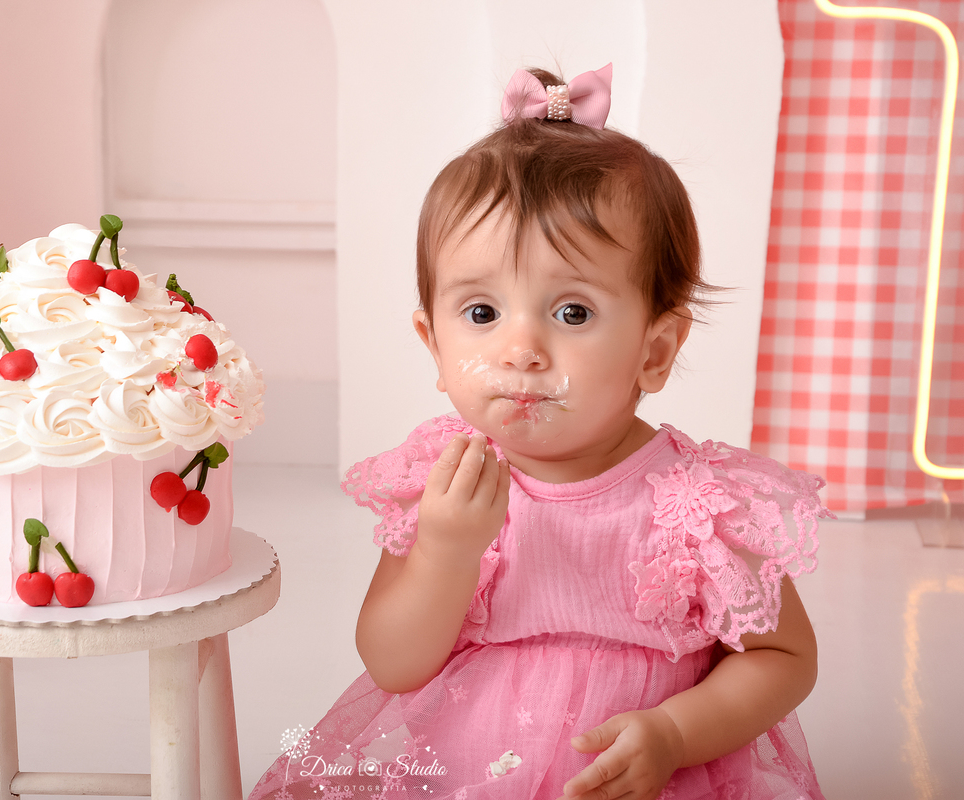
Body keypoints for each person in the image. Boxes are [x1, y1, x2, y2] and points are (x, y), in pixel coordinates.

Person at [249, 65, 828, 800]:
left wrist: (675, 734)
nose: (520, 350)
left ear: (654, 352)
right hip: (467, 770)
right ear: (434, 345)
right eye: (482, 313)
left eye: (572, 313)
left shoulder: (699, 507)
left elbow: (783, 658)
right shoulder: (447, 482)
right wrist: (445, 552)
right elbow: (394, 665)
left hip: (645, 775)